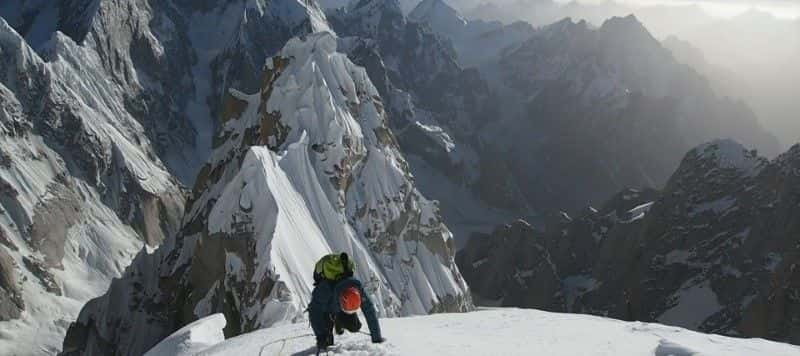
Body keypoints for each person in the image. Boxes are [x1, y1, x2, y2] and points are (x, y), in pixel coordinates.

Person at [308, 253, 385, 349]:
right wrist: (321, 335)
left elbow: (369, 310)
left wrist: (376, 338)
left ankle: (338, 322)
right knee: (327, 342)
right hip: (326, 309)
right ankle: (333, 326)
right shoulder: (325, 289)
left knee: (355, 327)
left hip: (338, 306)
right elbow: (314, 311)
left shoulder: (357, 287)